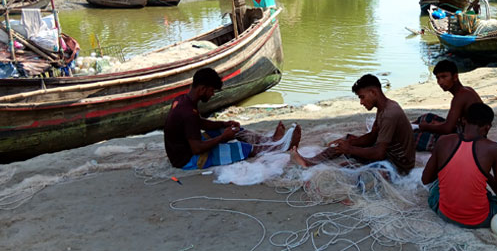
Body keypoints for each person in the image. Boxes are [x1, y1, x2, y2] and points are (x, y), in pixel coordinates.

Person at [422, 103, 497, 228]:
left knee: (441, 183)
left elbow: (426, 179)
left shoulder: (443, 141)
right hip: (479, 219)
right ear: (488, 127)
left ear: (463, 120)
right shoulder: (493, 148)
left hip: (443, 212)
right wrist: (486, 174)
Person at [164, 68, 301, 169]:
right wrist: (222, 138)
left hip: (187, 146)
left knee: (231, 129)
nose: (212, 94)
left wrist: (224, 124)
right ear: (202, 89)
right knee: (241, 148)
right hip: (187, 159)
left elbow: (199, 123)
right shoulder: (188, 113)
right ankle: (279, 147)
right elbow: (197, 149)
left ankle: (269, 140)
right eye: (211, 91)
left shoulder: (183, 100)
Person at [290, 74, 416, 175]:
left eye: (362, 97)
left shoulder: (389, 113)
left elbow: (379, 153)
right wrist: (348, 143)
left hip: (398, 164)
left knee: (346, 168)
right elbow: (372, 136)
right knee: (346, 142)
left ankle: (311, 163)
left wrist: (350, 149)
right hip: (388, 153)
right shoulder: (384, 107)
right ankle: (310, 162)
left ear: (373, 92)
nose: (361, 102)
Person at [412, 59, 483, 151]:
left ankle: (411, 129)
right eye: (438, 78)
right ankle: (411, 127)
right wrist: (438, 125)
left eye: (444, 77)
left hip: (468, 140)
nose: (440, 82)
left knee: (412, 137)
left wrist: (424, 127)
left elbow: (447, 129)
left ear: (455, 77)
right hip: (463, 129)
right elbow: (457, 121)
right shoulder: (466, 90)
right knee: (427, 117)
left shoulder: (460, 97)